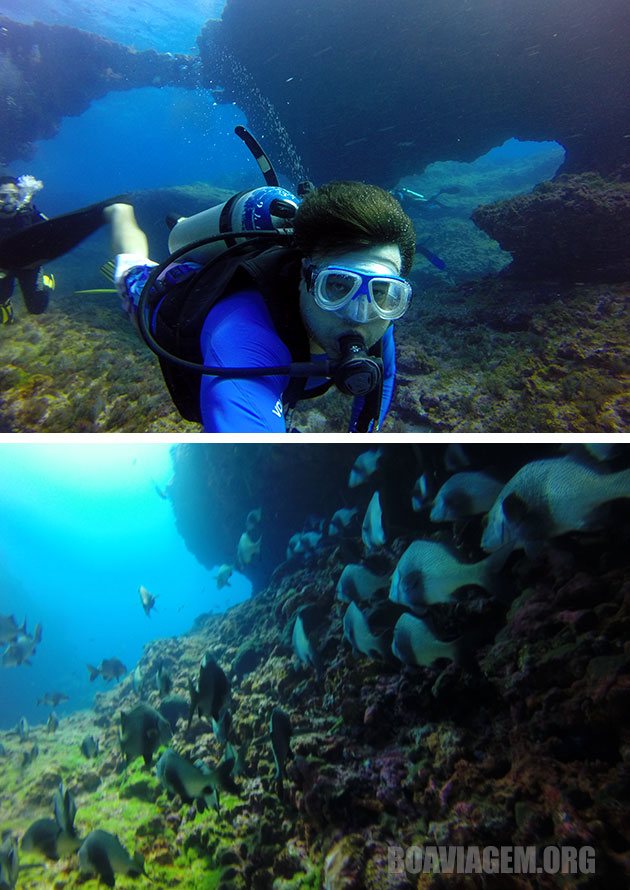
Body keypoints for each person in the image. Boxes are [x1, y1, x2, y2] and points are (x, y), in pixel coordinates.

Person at [105, 180, 416, 433]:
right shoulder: (244, 341)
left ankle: (186, 225)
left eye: (384, 292)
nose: (358, 315)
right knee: (131, 265)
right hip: (170, 289)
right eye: (336, 285)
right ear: (304, 275)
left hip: (237, 270)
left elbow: (384, 376)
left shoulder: (373, 308)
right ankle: (118, 209)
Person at [0, 174, 54, 324]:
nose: (9, 201)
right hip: (3, 266)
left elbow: (52, 231)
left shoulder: (29, 214)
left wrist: (29, 215)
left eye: (14, 196)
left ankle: (47, 282)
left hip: (29, 265)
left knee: (37, 308)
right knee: (1, 298)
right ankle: (5, 306)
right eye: (3, 196)